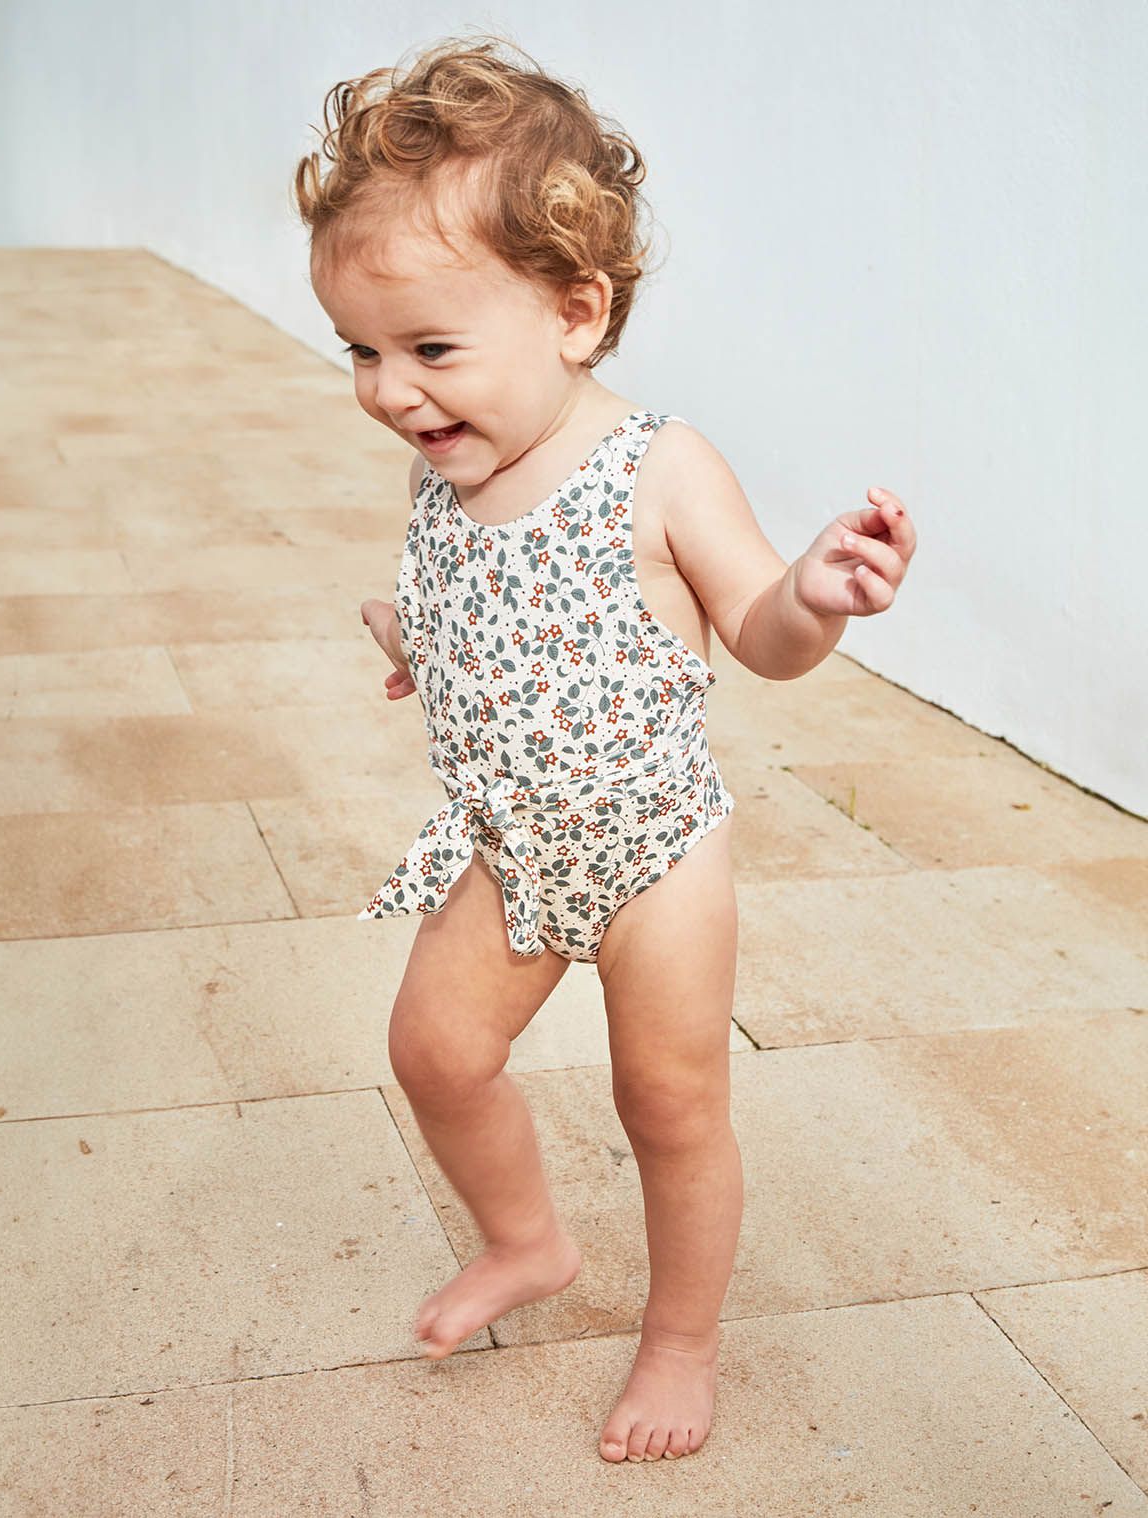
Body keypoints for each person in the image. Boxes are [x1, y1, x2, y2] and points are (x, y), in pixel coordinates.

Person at [292, 31, 916, 1464]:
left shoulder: (657, 467)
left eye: (430, 349)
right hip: (512, 844)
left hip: (653, 853)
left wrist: (815, 593)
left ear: (576, 312)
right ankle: (528, 1241)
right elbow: (501, 610)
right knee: (434, 1049)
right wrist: (417, 637)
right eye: (362, 351)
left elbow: (755, 632)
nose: (392, 390)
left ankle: (680, 1341)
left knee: (670, 1102)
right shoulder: (449, 463)